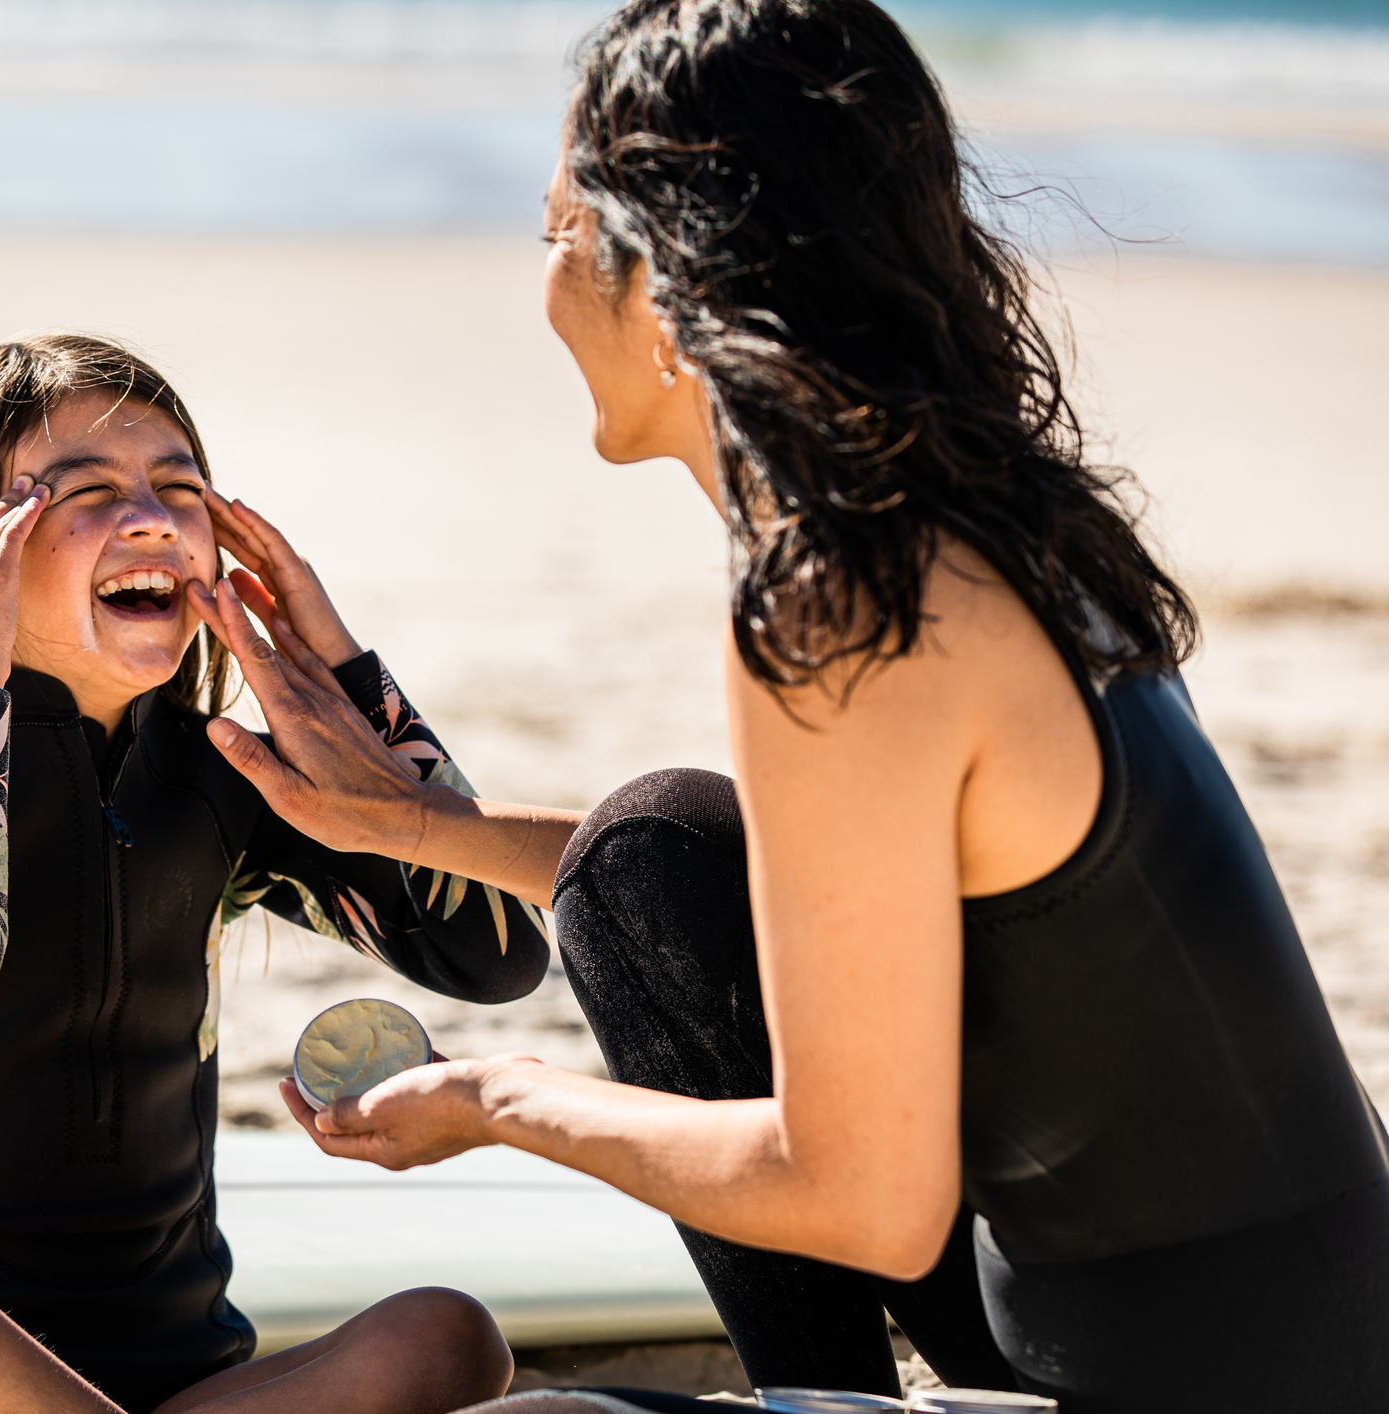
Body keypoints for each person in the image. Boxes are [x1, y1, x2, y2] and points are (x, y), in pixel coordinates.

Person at [180, 2, 1389, 1410]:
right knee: (656, 849)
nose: (549, 285)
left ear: (666, 276)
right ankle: (819, 1395)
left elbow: (863, 1197)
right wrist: (413, 820)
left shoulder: (844, 618)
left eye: (561, 233)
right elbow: (840, 895)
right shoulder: (980, 525)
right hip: (1231, 1320)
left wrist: (495, 1097)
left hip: (1204, 1381)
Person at [0, 334, 552, 1414]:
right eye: (86, 490)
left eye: (181, 487)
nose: (151, 518)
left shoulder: (219, 775)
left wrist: (353, 679)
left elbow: (497, 951)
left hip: (191, 1390)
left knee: (447, 1332)